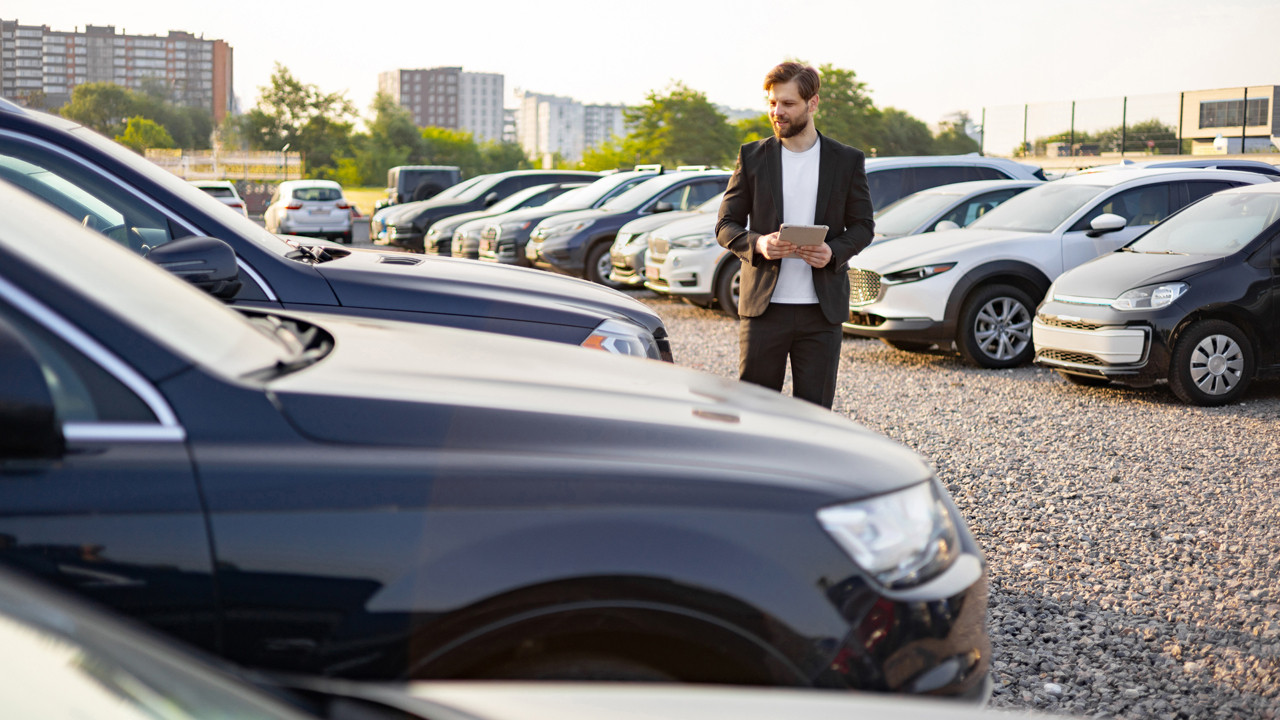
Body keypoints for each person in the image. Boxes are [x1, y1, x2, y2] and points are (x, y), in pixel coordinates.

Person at [715, 62, 875, 409]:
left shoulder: (846, 160)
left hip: (821, 313)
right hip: (763, 310)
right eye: (772, 103)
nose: (777, 112)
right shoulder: (752, 156)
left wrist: (833, 251)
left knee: (815, 416)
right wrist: (760, 244)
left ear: (812, 104)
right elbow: (725, 225)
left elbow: (864, 226)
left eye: (787, 104)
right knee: (754, 412)